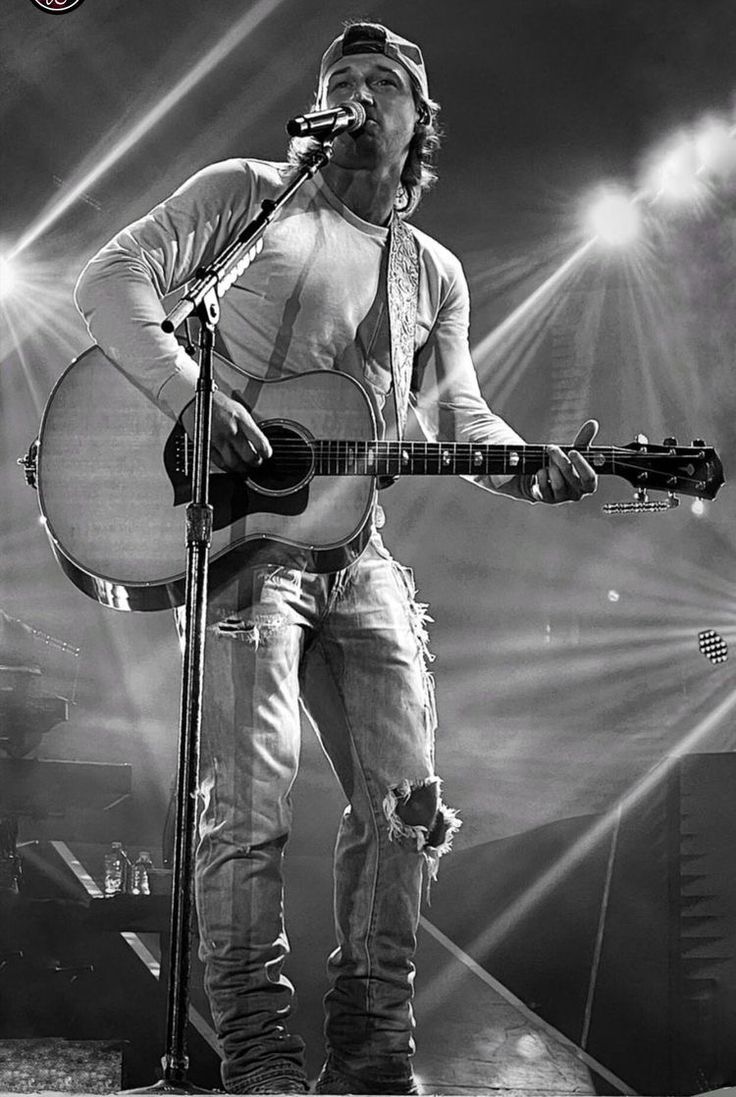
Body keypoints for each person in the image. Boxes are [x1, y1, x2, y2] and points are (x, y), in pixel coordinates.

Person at [75, 21, 598, 1096]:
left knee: (409, 804)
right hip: (240, 553)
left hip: (355, 552)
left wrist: (525, 466)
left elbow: (458, 411)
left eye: (381, 82)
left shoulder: (431, 272)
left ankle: (369, 1059)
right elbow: (111, 276)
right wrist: (193, 396)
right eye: (338, 80)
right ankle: (260, 1062)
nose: (356, 93)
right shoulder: (249, 194)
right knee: (248, 807)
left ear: (418, 123)